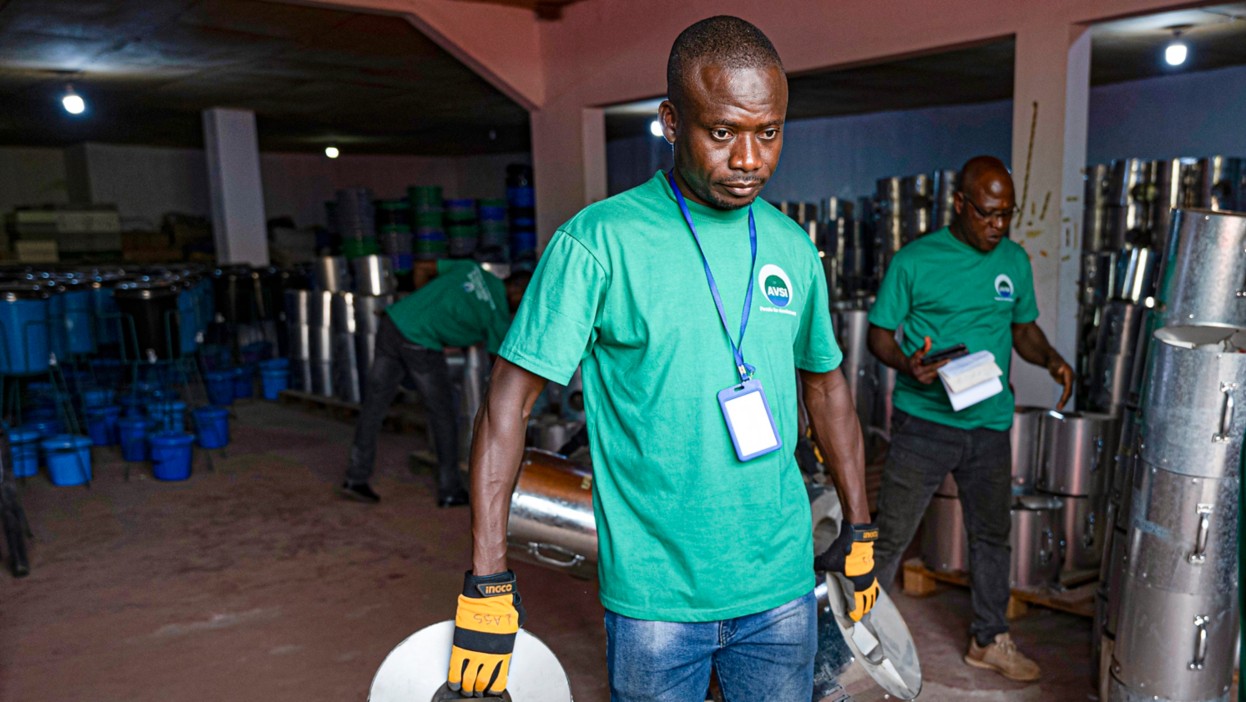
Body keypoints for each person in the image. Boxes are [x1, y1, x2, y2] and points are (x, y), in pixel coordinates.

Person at [442, 16, 876, 701]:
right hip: (655, 596)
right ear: (672, 121)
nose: (749, 160)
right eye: (723, 132)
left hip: (783, 585)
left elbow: (827, 389)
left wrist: (860, 523)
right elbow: (506, 404)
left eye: (768, 133)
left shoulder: (793, 247)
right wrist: (487, 580)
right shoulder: (599, 242)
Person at [866, 155, 1074, 683]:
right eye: (986, 214)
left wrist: (1050, 358)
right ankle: (858, 635)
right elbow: (879, 336)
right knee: (891, 535)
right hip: (924, 423)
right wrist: (908, 366)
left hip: (989, 425)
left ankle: (989, 638)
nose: (997, 226)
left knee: (991, 537)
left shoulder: (1014, 261)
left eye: (1007, 214)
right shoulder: (915, 260)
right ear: (959, 204)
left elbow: (1023, 328)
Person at [339, 259, 529, 507]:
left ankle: (355, 478)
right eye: (522, 299)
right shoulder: (498, 314)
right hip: (420, 343)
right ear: (516, 290)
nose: (520, 306)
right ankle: (449, 490)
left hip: (394, 322)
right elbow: (499, 366)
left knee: (374, 406)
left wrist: (422, 305)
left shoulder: (471, 269)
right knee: (443, 415)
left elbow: (422, 267)